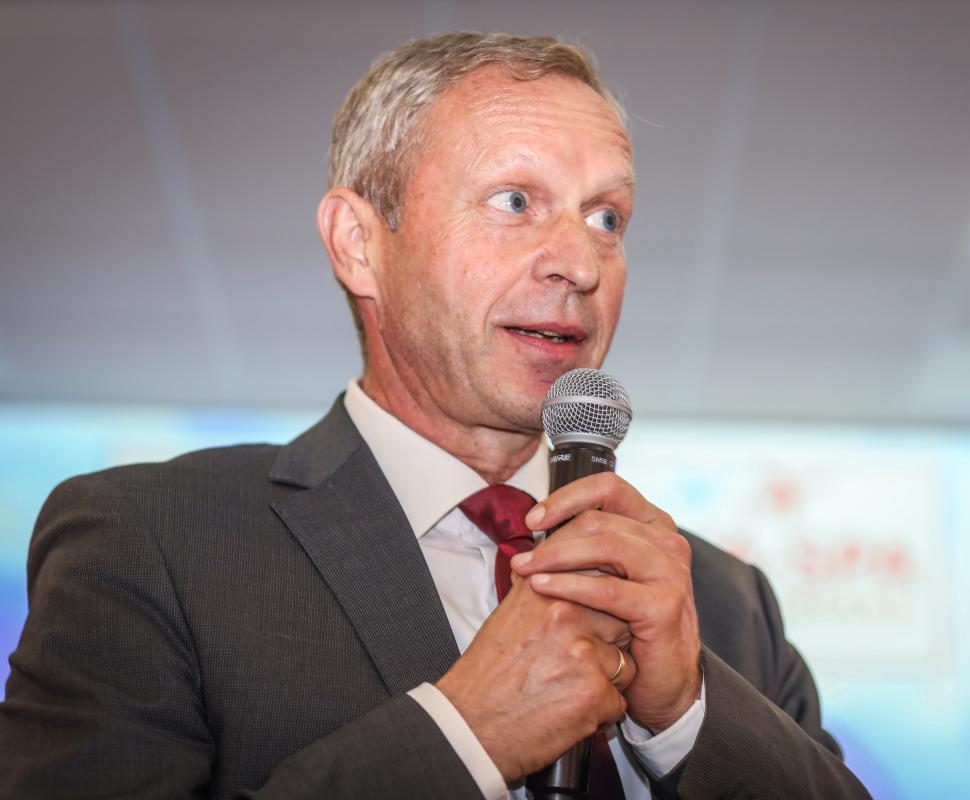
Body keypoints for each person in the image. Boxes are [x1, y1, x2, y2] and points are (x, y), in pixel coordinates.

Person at [0, 32, 872, 799]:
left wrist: (684, 714)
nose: (581, 263)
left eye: (608, 217)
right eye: (515, 201)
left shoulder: (724, 603)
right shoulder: (148, 542)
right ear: (359, 244)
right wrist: (464, 737)